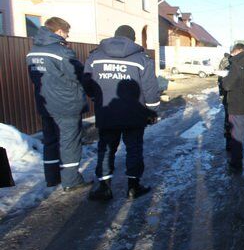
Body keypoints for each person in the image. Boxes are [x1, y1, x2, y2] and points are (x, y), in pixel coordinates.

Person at [84, 25, 160, 200]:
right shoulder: (142, 58)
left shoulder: (96, 56)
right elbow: (150, 88)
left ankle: (104, 187)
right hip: (135, 114)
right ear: (133, 39)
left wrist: (96, 98)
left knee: (106, 148)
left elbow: (87, 82)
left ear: (115, 36)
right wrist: (152, 111)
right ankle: (133, 187)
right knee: (134, 149)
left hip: (107, 112)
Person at [25, 17, 88, 191]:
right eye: (66, 33)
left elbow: (35, 78)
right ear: (60, 31)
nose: (67, 37)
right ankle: (71, 181)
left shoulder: (33, 51)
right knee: (70, 142)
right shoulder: (61, 52)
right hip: (66, 105)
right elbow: (78, 74)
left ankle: (52, 177)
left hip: (45, 104)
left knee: (51, 141)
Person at [221, 43, 244, 170]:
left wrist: (223, 79)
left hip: (237, 106)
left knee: (236, 135)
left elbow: (227, 85)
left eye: (233, 54)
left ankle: (236, 162)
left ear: (237, 51)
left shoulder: (236, 64)